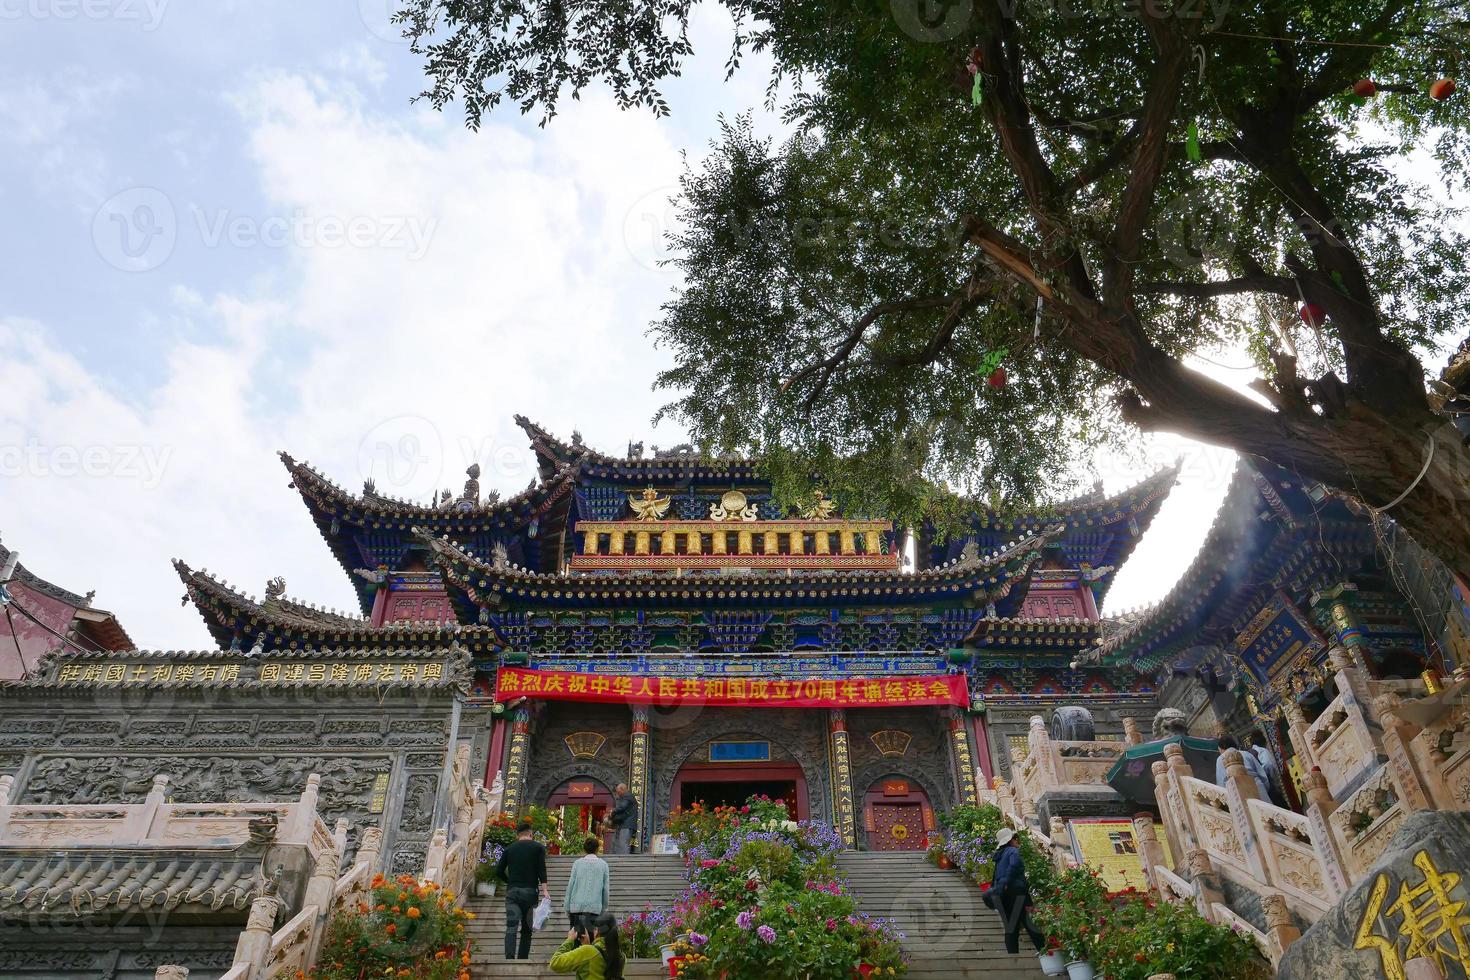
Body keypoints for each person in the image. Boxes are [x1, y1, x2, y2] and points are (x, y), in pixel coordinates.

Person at [495, 819, 549, 960]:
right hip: (530, 893)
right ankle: (522, 959)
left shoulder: (509, 849)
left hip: (513, 892)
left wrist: (509, 881)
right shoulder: (538, 848)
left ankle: (509, 957)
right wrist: (545, 891)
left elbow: (499, 871)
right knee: (526, 929)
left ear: (517, 835)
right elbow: (541, 870)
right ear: (531, 834)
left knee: (511, 927)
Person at [989, 828, 1046, 955]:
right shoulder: (1012, 851)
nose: (1017, 841)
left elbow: (995, 878)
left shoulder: (999, 856)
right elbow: (1014, 865)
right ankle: (1046, 953)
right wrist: (1007, 882)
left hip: (1003, 897)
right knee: (1029, 923)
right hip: (1017, 892)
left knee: (1011, 927)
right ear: (1010, 841)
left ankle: (1013, 957)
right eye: (1015, 838)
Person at [549, 911, 625, 980]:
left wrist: (569, 940)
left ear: (596, 930)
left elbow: (555, 963)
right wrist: (589, 946)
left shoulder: (588, 952)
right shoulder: (621, 955)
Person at [564, 835, 610, 935]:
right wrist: (604, 908)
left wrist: (567, 907)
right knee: (590, 941)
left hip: (576, 907)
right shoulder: (603, 865)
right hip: (594, 908)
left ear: (584, 849)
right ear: (597, 849)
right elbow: (605, 889)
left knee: (575, 940)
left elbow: (571, 885)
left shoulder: (577, 863)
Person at [1215, 734, 1272, 801]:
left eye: (1219, 750)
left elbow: (1221, 782)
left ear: (1222, 747)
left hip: (1238, 791)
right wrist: (1263, 789)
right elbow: (1263, 776)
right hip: (1257, 786)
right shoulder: (1246, 754)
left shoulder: (1220, 759)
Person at [1244, 732, 1290, 808]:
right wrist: (1267, 777)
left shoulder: (1247, 754)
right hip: (1269, 788)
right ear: (1264, 742)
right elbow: (1268, 765)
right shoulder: (1261, 750)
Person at [608, 784, 637, 855]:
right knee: (616, 843)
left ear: (622, 789)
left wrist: (613, 811)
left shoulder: (628, 796)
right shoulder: (626, 797)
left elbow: (622, 807)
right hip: (622, 824)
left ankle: (623, 862)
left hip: (626, 825)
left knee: (623, 843)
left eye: (618, 792)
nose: (618, 794)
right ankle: (616, 860)